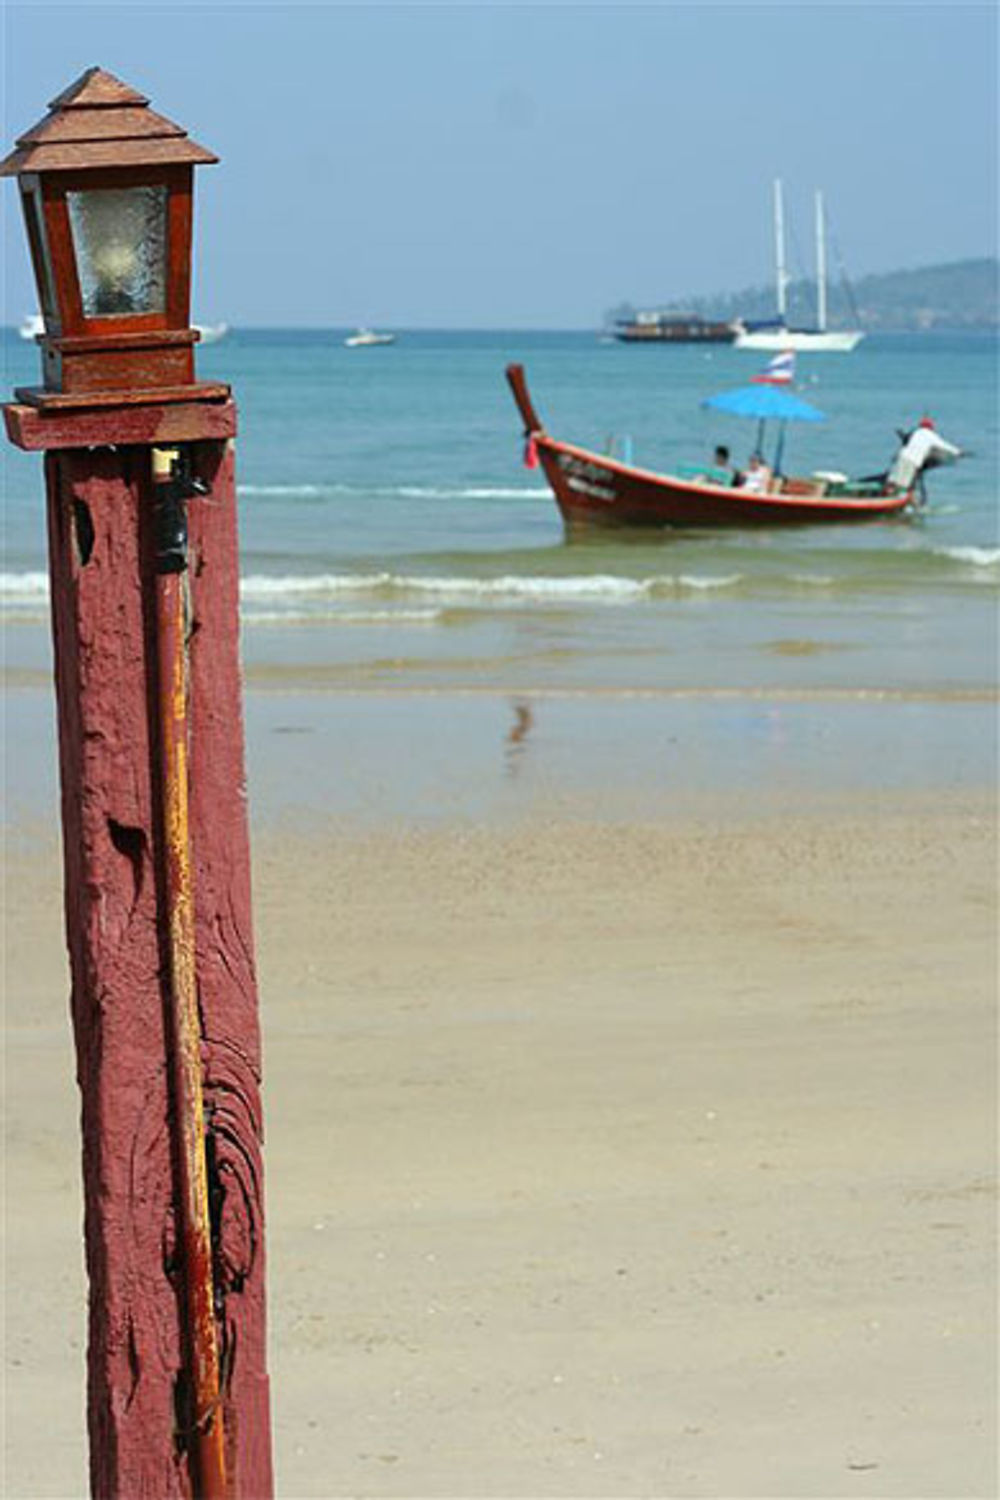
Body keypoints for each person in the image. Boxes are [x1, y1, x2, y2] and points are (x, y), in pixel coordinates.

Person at [887, 417, 962, 492]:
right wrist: (958, 452)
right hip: (913, 461)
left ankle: (886, 494)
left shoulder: (915, 433)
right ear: (931, 427)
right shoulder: (931, 435)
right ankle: (896, 498)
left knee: (894, 481)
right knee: (904, 484)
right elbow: (943, 445)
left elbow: (906, 442)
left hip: (902, 457)